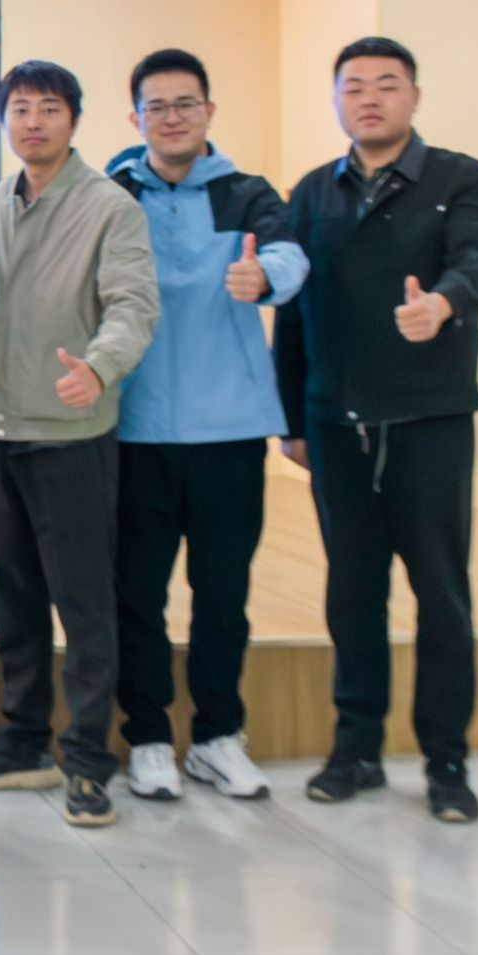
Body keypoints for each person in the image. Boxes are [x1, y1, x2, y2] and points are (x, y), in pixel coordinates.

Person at [277, 37, 478, 823]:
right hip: (336, 425)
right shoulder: (313, 193)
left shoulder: (459, 178)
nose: (369, 98)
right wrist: (291, 418)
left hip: (429, 421)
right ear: (336, 101)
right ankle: (356, 750)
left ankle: (447, 761)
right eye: (354, 87)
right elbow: (293, 316)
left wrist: (443, 302)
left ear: (414, 97)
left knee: (441, 593)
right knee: (352, 591)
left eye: (386, 85)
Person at [0, 60, 158, 829]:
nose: (32, 122)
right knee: (15, 597)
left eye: (48, 108)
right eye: (20, 109)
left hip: (72, 437)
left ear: (73, 119)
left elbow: (134, 304)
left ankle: (89, 759)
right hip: (1, 433)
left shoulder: (110, 207)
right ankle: (23, 740)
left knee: (84, 603)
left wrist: (99, 368)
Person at [105, 50, 306, 803]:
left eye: (185, 103)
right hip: (134, 429)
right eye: (156, 106)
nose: (172, 117)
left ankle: (219, 737)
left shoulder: (247, 192)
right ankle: (149, 739)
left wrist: (266, 276)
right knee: (138, 598)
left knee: (223, 594)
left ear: (209, 112)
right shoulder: (114, 191)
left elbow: (289, 253)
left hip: (228, 432)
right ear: (136, 118)